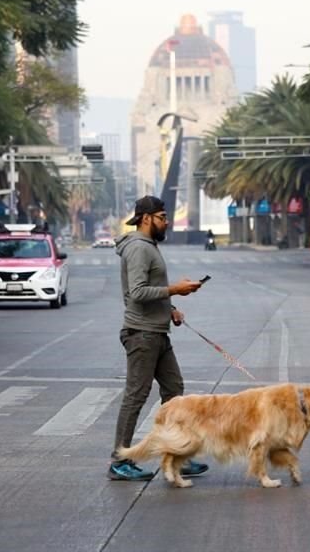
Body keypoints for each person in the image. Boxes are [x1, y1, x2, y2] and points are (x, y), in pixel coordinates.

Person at [108, 196, 207, 481]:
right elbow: (137, 293)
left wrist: (171, 308)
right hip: (142, 334)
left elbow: (150, 289)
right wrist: (175, 289)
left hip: (158, 331)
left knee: (174, 389)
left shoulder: (148, 246)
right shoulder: (139, 248)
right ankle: (119, 460)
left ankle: (176, 454)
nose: (167, 222)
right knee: (136, 395)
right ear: (147, 218)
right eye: (163, 216)